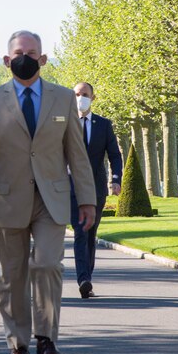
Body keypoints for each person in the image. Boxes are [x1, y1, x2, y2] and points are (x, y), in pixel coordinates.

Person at [0, 30, 96, 354]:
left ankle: (47, 340)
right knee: (12, 275)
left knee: (48, 265)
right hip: (7, 200)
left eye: (32, 52)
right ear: (8, 60)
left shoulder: (63, 98)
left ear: (43, 58)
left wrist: (87, 199)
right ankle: (18, 346)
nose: (26, 57)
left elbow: (77, 153)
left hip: (51, 200)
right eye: (19, 53)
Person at [70, 82, 123, 299]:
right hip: (71, 186)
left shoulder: (103, 125)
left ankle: (87, 278)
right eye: (76, 94)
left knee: (91, 232)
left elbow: (115, 154)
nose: (80, 97)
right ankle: (83, 278)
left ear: (93, 98)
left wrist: (116, 179)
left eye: (84, 94)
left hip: (96, 187)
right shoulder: (64, 123)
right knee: (80, 230)